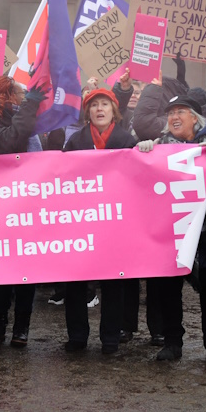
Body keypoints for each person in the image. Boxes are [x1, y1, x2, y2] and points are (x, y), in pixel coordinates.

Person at [141, 92, 206, 364]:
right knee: (169, 289)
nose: (174, 117)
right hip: (172, 231)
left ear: (195, 119)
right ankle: (173, 343)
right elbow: (142, 182)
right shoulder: (160, 145)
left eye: (180, 112)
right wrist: (143, 154)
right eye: (171, 113)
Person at [61, 87, 155, 354]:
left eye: (104, 104)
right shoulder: (75, 142)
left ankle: (110, 338)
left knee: (114, 282)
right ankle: (77, 336)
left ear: (114, 110)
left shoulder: (127, 141)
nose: (99, 109)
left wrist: (145, 152)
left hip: (115, 224)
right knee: (76, 282)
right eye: (93, 105)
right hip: (80, 221)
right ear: (87, 112)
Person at [0, 74, 46, 347]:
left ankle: (21, 327)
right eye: (11, 94)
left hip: (27, 207)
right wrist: (30, 105)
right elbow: (12, 140)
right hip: (1, 208)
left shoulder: (27, 122)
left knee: (26, 269)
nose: (14, 99)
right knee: (2, 268)